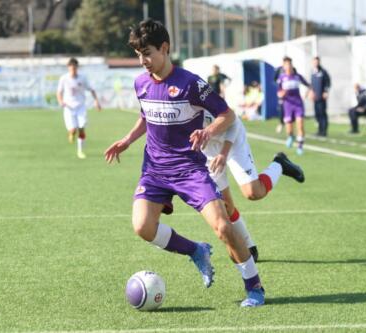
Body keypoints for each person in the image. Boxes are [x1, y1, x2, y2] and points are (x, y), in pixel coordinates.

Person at [104, 19, 265, 307]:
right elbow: (145, 116)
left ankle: (254, 287)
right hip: (154, 170)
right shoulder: (140, 83)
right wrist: (127, 140)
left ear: (165, 48)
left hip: (190, 170)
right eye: (139, 55)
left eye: (148, 53)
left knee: (223, 227)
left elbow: (226, 115)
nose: (144, 61)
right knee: (142, 227)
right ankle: (195, 250)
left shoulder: (191, 83)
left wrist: (207, 131)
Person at [202, 110, 305, 262]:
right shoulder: (160, 101)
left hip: (231, 139)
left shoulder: (197, 92)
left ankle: (279, 164)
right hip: (207, 149)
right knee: (224, 205)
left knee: (253, 192)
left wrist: (224, 153)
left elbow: (232, 119)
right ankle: (249, 247)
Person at [57, 57, 101, 159]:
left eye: (75, 67)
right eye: (71, 67)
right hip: (68, 107)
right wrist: (60, 101)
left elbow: (91, 89)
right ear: (68, 67)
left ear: (77, 68)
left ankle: (80, 151)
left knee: (81, 128)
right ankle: (71, 133)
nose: (73, 69)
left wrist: (96, 101)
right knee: (73, 130)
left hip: (80, 107)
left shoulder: (83, 78)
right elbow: (59, 92)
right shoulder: (64, 78)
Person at [276, 57, 311, 155]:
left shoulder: (297, 76)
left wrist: (306, 95)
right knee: (289, 128)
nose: (288, 66)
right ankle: (290, 136)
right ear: (283, 66)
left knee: (300, 125)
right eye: (286, 64)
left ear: (292, 65)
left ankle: (300, 146)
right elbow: (278, 93)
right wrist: (281, 94)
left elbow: (309, 85)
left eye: (290, 64)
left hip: (298, 104)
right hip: (287, 105)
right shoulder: (281, 78)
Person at [310, 56, 331, 137]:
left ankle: (324, 131)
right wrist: (311, 92)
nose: (315, 63)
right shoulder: (313, 72)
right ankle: (319, 130)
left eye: (317, 62)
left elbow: (328, 82)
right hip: (315, 98)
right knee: (317, 114)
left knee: (322, 113)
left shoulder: (323, 72)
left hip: (322, 97)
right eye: (314, 62)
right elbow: (312, 84)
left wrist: (325, 92)